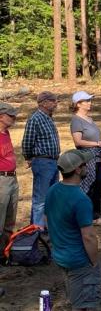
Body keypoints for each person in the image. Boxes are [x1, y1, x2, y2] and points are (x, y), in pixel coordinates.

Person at [44, 149, 101, 310]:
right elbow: (88, 236)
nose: (87, 167)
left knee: (75, 299)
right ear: (77, 169)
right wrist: (94, 262)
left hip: (61, 257)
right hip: (80, 262)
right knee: (85, 306)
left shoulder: (52, 190)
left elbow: (47, 219)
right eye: (84, 164)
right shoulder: (81, 199)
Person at [21, 91, 60, 228]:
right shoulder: (35, 119)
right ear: (44, 102)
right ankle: (37, 230)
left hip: (54, 161)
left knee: (51, 197)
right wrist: (29, 157)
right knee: (40, 199)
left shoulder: (49, 118)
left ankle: (45, 226)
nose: (56, 103)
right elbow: (27, 142)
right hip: (43, 162)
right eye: (53, 100)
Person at [70, 91, 101, 226]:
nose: (89, 103)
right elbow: (78, 142)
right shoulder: (76, 120)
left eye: (89, 100)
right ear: (78, 104)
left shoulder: (90, 119)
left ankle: (96, 216)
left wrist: (100, 145)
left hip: (97, 158)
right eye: (86, 101)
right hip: (86, 159)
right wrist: (97, 144)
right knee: (88, 188)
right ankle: (85, 217)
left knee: (98, 186)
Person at [0, 103, 19, 252]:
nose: (14, 118)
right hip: (1, 180)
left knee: (10, 219)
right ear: (1, 117)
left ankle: (5, 252)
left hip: (12, 179)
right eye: (10, 115)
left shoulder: (6, 133)